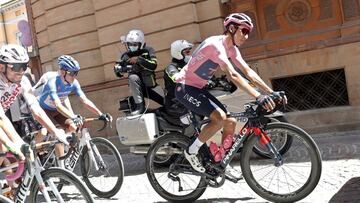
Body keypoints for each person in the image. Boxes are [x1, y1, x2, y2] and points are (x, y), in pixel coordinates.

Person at [175, 13, 287, 173]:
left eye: (249, 32)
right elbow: (233, 74)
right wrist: (258, 96)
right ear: (232, 28)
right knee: (220, 118)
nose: (246, 36)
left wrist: (271, 92)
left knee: (231, 122)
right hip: (185, 87)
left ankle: (219, 161)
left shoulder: (231, 49)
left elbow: (247, 71)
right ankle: (191, 151)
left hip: (198, 88)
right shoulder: (215, 45)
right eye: (244, 31)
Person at [0, 44, 68, 191]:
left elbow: (36, 109)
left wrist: (55, 131)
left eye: (25, 66)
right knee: (5, 147)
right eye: (17, 67)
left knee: (5, 152)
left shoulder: (22, 80)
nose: (22, 71)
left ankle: (9, 189)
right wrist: (18, 143)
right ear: (1, 67)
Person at [114, 29, 164, 115]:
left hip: (150, 86)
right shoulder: (125, 55)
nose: (132, 46)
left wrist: (139, 60)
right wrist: (119, 70)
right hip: (137, 87)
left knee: (168, 102)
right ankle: (140, 107)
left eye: (135, 44)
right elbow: (118, 69)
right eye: (130, 44)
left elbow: (153, 65)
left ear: (141, 43)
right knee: (133, 77)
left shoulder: (148, 50)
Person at [163, 39, 193, 120]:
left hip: (187, 99)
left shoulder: (187, 64)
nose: (189, 54)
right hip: (176, 104)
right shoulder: (171, 67)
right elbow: (177, 78)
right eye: (187, 52)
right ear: (178, 52)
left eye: (189, 51)